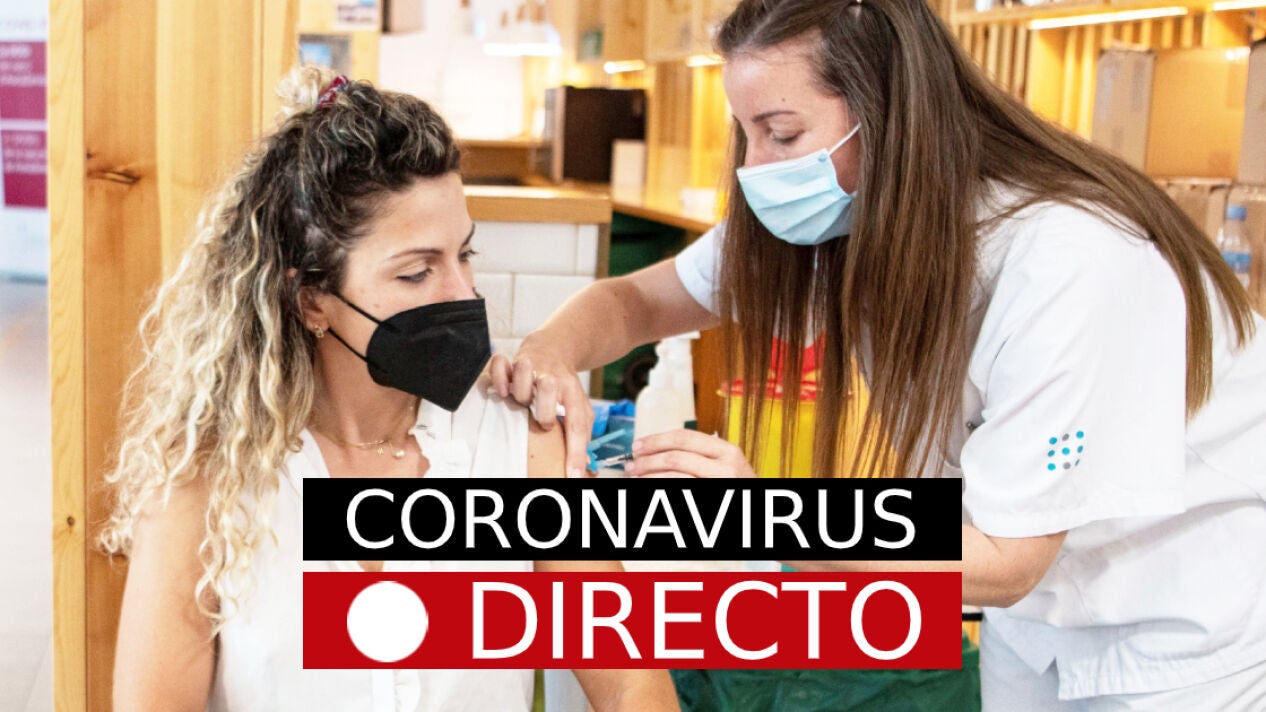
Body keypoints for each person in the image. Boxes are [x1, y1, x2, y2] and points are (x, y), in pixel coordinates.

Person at [491, 0, 1266, 708]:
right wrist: (552, 351)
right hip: (1038, 617)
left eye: (782, 133)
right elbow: (638, 300)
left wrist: (765, 518)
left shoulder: (1071, 257)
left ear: (887, 112)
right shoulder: (843, 207)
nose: (756, 169)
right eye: (747, 133)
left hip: (1177, 619)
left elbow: (1008, 559)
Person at [100, 67, 679, 712]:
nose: (463, 294)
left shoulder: (519, 443)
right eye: (415, 273)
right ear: (311, 300)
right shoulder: (208, 484)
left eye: (464, 255)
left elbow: (630, 679)